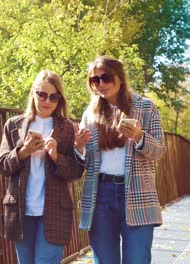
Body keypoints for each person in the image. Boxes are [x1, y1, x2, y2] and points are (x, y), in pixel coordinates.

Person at [74, 55, 166, 264]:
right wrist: (78, 146)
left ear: (120, 78)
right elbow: (84, 163)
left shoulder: (146, 108)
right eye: (94, 80)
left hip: (137, 193)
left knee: (137, 260)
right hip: (101, 195)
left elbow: (160, 152)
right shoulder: (90, 114)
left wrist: (139, 136)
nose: (100, 84)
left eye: (105, 78)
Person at [0, 70, 85, 263]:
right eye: (42, 95)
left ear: (59, 100)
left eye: (53, 97)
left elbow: (76, 171)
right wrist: (23, 152)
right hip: (20, 212)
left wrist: (55, 156)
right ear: (33, 93)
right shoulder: (14, 125)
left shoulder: (68, 128)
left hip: (55, 211)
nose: (47, 101)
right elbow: (2, 165)